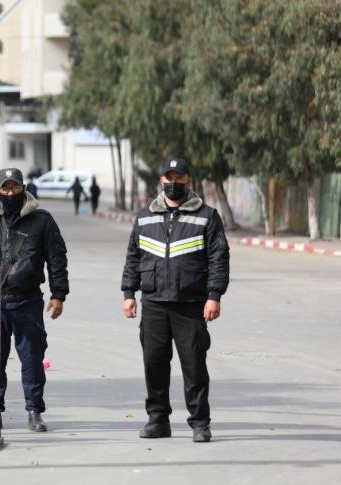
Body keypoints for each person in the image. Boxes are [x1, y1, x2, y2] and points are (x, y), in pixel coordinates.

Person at [121, 158, 229, 443]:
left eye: (179, 179)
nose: (173, 184)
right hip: (154, 302)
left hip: (191, 304)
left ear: (188, 181)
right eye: (169, 179)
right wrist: (129, 294)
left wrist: (214, 296)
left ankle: (200, 423)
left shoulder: (206, 216)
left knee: (194, 365)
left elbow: (219, 258)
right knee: (154, 363)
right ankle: (158, 420)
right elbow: (133, 257)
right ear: (161, 181)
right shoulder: (145, 217)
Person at [0, 168, 69, 433]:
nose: (10, 194)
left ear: (23, 188)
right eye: (5, 189)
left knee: (32, 359)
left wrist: (58, 294)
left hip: (28, 301)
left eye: (15, 188)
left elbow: (57, 259)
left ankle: (34, 411)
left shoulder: (42, 221)